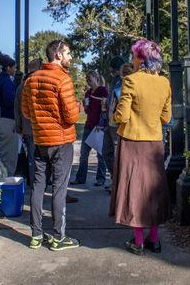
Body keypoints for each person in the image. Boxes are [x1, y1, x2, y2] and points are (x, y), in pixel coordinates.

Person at [110, 39, 172, 256]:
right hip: (154, 142)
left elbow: (123, 115)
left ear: (141, 58)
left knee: (135, 190)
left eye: (134, 55)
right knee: (152, 189)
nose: (132, 59)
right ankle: (154, 239)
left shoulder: (131, 81)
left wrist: (114, 115)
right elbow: (166, 116)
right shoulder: (164, 83)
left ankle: (138, 242)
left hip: (133, 142)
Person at [22, 40, 81, 251]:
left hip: (40, 140)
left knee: (38, 186)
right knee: (59, 187)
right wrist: (77, 106)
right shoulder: (63, 79)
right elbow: (72, 115)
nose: (70, 57)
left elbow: (27, 112)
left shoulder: (32, 79)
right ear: (57, 54)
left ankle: (36, 234)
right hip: (61, 140)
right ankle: (58, 237)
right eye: (68, 53)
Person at [70, 71, 108, 187]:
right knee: (83, 154)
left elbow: (105, 109)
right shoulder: (87, 93)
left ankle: (100, 179)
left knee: (100, 155)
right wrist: (85, 105)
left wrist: (101, 123)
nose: (87, 80)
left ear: (96, 78)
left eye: (89, 78)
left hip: (99, 127)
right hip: (88, 125)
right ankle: (80, 178)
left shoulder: (103, 90)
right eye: (86, 78)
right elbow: (87, 111)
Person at [14, 57, 43, 188]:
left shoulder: (22, 85)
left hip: (28, 129)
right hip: (40, 128)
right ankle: (40, 184)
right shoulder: (39, 83)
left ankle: (34, 184)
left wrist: (19, 126)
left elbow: (17, 108)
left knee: (32, 158)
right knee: (42, 160)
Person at [101, 56, 126, 191]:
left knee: (117, 155)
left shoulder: (123, 82)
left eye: (112, 71)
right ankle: (115, 179)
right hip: (109, 123)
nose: (111, 73)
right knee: (106, 152)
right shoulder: (115, 81)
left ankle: (118, 185)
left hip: (117, 124)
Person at [0, 52, 19, 176]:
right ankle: (8, 179)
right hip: (7, 121)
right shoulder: (7, 81)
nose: (15, 70)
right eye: (13, 67)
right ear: (8, 68)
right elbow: (10, 101)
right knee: (9, 155)